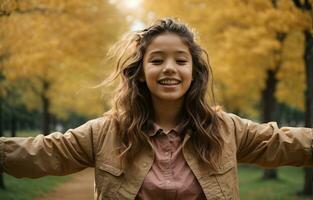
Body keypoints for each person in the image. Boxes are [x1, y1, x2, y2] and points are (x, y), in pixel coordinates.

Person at [0, 18, 312, 200]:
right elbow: (43, 152)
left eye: (180, 59)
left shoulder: (225, 130)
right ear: (140, 70)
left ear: (194, 71)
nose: (169, 69)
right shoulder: (105, 133)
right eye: (157, 59)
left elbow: (284, 143)